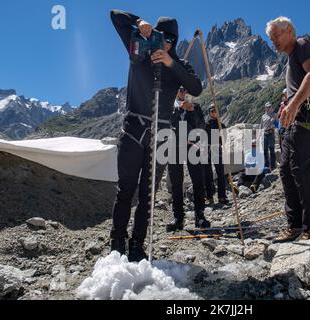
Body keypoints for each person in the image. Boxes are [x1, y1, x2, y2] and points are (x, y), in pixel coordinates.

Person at [110, 9, 203, 262]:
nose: (167, 43)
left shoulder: (177, 65)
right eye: (164, 37)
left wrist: (171, 62)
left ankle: (137, 244)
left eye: (172, 40)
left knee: (147, 194)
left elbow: (197, 87)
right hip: (133, 130)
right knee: (125, 189)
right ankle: (116, 242)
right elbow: (115, 15)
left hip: (161, 134)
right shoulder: (138, 47)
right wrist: (140, 23)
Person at [266, 17, 310, 242]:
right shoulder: (291, 57)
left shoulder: (302, 45)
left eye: (276, 35)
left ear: (289, 30)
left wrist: (293, 104)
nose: (273, 41)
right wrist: (288, 104)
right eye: (271, 38)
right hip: (297, 117)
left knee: (301, 169)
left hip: (307, 114)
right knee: (285, 169)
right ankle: (295, 225)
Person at [166, 88, 211, 232]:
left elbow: (201, 127)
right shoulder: (170, 107)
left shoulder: (195, 107)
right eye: (180, 90)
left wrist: (191, 111)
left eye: (186, 90)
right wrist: (179, 109)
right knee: (176, 183)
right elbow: (168, 125)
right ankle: (178, 218)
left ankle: (200, 216)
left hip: (193, 147)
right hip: (175, 147)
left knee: (198, 181)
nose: (183, 93)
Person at [203, 105, 229, 205]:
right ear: (209, 113)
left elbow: (224, 139)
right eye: (212, 111)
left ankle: (222, 196)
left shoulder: (221, 125)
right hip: (206, 150)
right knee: (208, 174)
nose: (213, 113)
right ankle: (209, 197)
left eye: (215, 111)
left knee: (220, 174)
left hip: (217, 149)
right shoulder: (206, 124)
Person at [260, 102, 278, 170]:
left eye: (270, 107)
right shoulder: (263, 116)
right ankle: (267, 165)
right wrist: (259, 134)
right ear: (265, 108)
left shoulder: (274, 115)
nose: (268, 108)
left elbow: (277, 123)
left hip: (271, 133)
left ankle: (273, 165)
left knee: (272, 149)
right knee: (265, 150)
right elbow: (261, 125)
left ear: (271, 107)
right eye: (267, 107)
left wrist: (275, 125)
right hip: (265, 133)